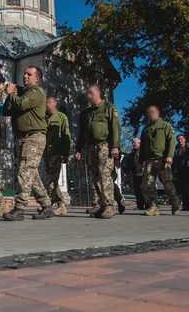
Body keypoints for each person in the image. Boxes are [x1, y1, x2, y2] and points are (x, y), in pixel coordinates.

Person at [2, 66, 54, 221]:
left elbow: (23, 104)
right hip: (22, 138)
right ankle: (46, 206)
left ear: (37, 79)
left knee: (25, 172)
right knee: (32, 174)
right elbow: (7, 110)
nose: (25, 76)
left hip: (34, 137)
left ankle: (19, 209)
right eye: (24, 73)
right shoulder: (21, 94)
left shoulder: (37, 92)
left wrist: (12, 95)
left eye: (29, 74)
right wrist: (10, 96)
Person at [75, 85, 121, 219]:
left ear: (98, 93)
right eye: (87, 93)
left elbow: (115, 128)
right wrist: (78, 149)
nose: (88, 96)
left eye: (91, 93)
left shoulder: (108, 108)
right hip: (91, 148)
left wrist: (115, 146)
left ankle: (109, 207)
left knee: (105, 176)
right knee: (95, 177)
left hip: (104, 146)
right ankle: (101, 205)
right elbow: (82, 133)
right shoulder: (86, 113)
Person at [138, 105, 180, 216]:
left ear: (158, 113)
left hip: (162, 159)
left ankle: (174, 202)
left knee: (167, 183)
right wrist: (140, 161)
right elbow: (142, 148)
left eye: (153, 112)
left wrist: (170, 156)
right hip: (149, 160)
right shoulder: (146, 130)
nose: (151, 114)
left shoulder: (165, 126)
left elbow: (172, 142)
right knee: (148, 184)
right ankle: (153, 207)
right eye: (149, 112)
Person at [43, 96, 71, 216]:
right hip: (46, 153)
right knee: (50, 179)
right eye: (45, 102)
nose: (47, 104)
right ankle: (61, 205)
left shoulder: (61, 117)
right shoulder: (44, 118)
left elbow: (66, 136)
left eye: (49, 102)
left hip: (56, 152)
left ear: (55, 103)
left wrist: (65, 154)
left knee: (52, 180)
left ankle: (47, 205)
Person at [122, 138, 147, 210]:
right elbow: (129, 163)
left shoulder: (143, 152)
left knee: (143, 188)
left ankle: (147, 204)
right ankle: (140, 205)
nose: (133, 144)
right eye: (132, 143)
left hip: (143, 173)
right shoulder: (132, 153)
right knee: (137, 190)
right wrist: (126, 171)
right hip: (135, 174)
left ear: (139, 143)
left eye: (134, 142)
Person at [173, 134, 189, 210]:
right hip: (180, 170)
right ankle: (185, 205)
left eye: (181, 139)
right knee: (183, 189)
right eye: (178, 139)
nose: (180, 140)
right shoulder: (176, 149)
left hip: (188, 170)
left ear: (185, 139)